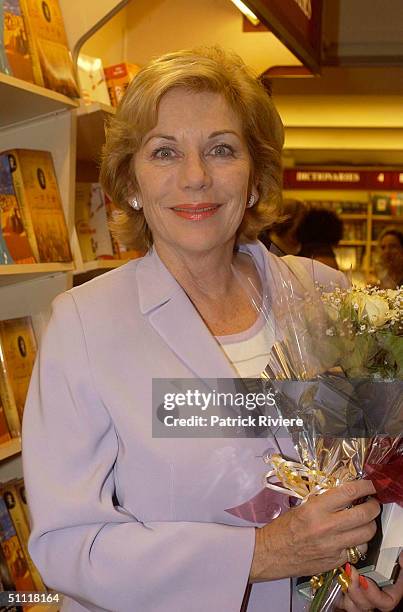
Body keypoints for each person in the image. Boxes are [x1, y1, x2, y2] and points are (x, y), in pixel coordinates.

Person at [22, 47, 403, 612]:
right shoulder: (85, 325)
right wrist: (262, 553)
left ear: (255, 177)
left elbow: (375, 462)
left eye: (221, 149)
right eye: (164, 152)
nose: (195, 177)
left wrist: (379, 563)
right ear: (131, 183)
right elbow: (66, 545)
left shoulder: (323, 295)